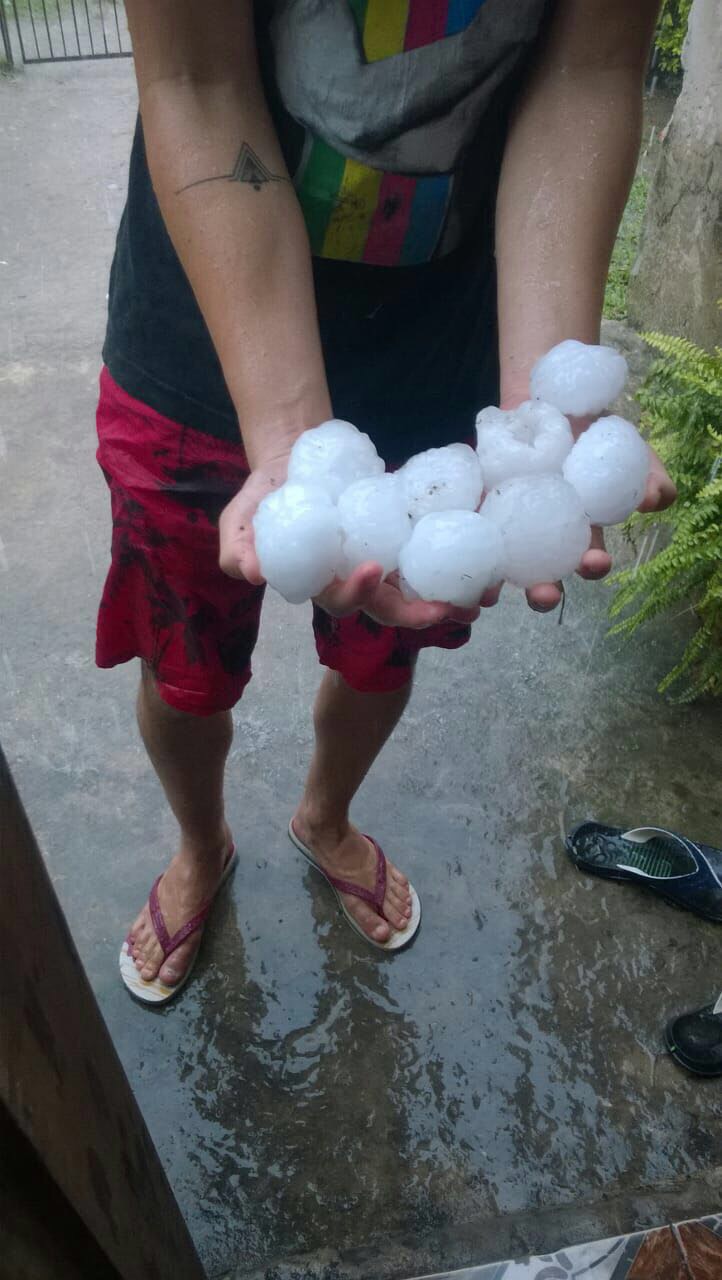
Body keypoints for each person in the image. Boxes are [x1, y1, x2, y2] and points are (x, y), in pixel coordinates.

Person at [98, 0, 677, 1001]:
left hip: (435, 361)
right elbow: (197, 80)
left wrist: (549, 400)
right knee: (181, 660)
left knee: (385, 646)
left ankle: (324, 817)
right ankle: (199, 842)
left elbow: (587, 73)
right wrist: (293, 439)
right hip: (196, 343)